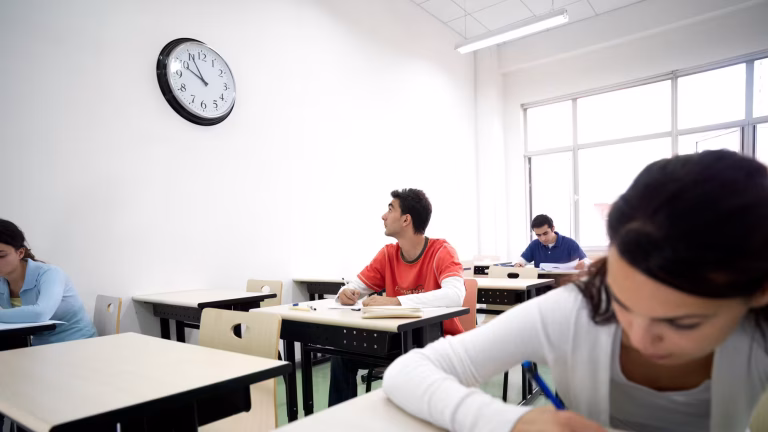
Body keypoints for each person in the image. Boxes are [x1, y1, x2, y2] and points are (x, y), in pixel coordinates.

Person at [382, 151, 768, 432]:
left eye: (682, 322)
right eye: (624, 301)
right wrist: (514, 422)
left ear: (758, 293)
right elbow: (408, 372)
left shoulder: (758, 333)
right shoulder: (576, 309)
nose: (640, 335)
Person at [329, 188, 465, 406]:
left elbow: (455, 295)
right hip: (398, 341)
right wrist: (344, 294)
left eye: (390, 209)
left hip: (438, 343)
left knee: (410, 368)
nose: (383, 216)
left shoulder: (441, 251)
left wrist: (396, 301)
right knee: (341, 355)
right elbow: (354, 287)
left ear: (406, 220)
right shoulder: (388, 254)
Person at [0, 219, 97, 345]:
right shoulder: (2, 280)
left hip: (78, 343)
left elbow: (41, 313)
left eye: (1, 256)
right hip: (39, 346)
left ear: (20, 253)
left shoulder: (50, 274)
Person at [514, 214, 589, 270]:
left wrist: (584, 264)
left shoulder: (570, 244)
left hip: (563, 286)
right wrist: (519, 264)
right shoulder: (535, 244)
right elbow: (521, 261)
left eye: (545, 233)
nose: (542, 238)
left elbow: (587, 262)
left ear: (553, 229)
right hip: (540, 287)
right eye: (538, 235)